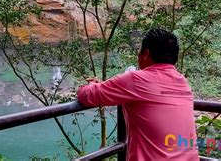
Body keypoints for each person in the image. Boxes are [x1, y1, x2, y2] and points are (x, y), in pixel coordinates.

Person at [77, 28, 199, 161]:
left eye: (139, 51)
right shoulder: (183, 82)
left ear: (146, 53)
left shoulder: (136, 80)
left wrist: (91, 85)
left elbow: (87, 95)